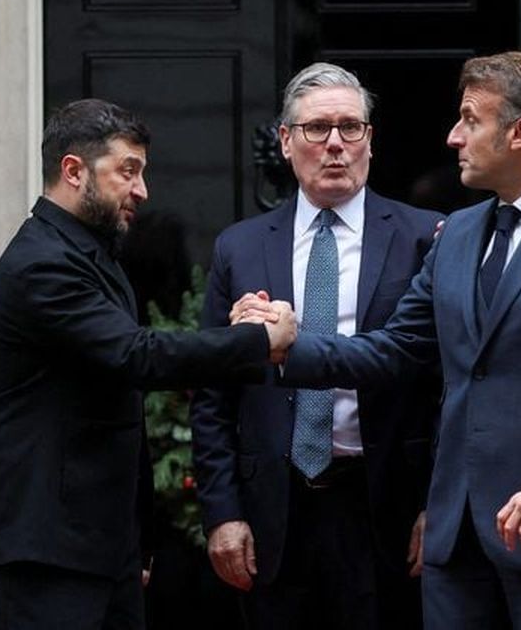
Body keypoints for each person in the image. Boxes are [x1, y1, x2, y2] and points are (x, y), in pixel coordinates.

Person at [244, 52, 521, 630]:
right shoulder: (456, 232)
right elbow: (396, 349)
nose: (453, 137)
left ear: (520, 132)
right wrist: (284, 345)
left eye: (470, 120)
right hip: (458, 535)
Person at [0, 99, 295, 630]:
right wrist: (255, 341)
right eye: (128, 171)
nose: (142, 190)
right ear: (74, 171)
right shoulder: (42, 264)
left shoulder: (89, 256)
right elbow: (136, 355)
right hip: (49, 550)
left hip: (99, 546)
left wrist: (135, 542)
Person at [190, 63, 443, 630]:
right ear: (285, 141)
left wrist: (437, 505)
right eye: (317, 128)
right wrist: (222, 513)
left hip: (385, 506)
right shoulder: (242, 247)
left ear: (371, 141)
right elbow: (213, 394)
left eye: (351, 128)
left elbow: (446, 383)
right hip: (273, 510)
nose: (335, 144)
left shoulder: (424, 237)